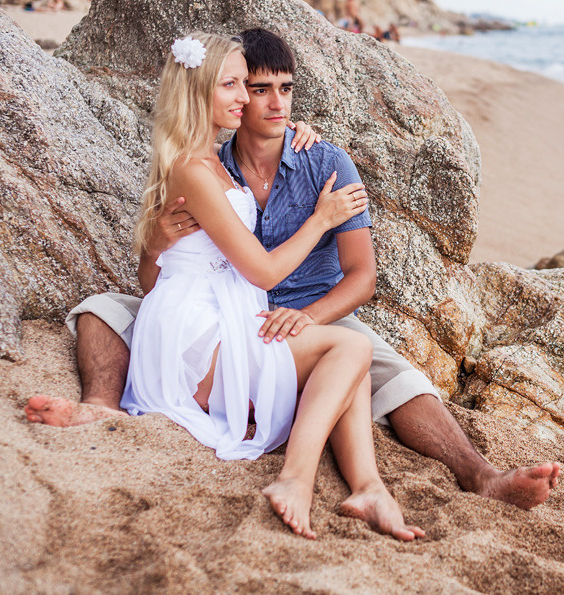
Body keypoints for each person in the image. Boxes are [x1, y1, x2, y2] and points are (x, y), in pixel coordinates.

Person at [26, 28, 560, 511]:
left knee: (394, 374)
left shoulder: (326, 162)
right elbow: (169, 273)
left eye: (285, 88)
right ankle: (101, 406)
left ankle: (481, 475)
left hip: (308, 309)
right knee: (102, 310)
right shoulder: (217, 160)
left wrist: (309, 317)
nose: (273, 102)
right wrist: (154, 246)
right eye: (256, 89)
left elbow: (362, 277)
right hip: (224, 307)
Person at [120, 32, 422, 539]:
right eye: (237, 86)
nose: (249, 98)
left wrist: (154, 248)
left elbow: (172, 267)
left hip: (216, 317)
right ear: (199, 92)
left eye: (253, 86)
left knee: (348, 359)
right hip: (197, 340)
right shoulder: (196, 169)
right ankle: (296, 478)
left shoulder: (216, 160)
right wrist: (322, 219)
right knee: (350, 349)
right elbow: (258, 272)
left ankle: (368, 486)